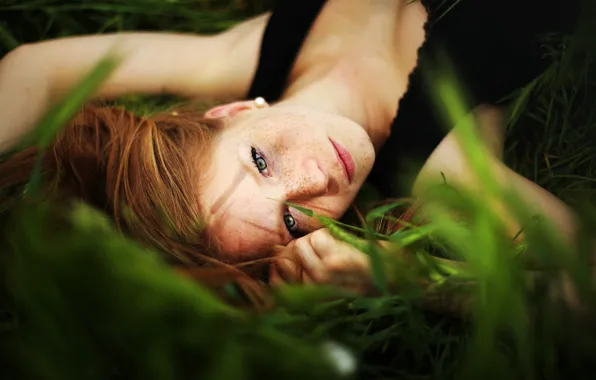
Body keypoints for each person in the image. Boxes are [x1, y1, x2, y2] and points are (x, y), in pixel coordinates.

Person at [0, 1, 580, 291]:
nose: (315, 180)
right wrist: (413, 278)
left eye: (261, 162)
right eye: (295, 224)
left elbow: (36, 68)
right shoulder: (443, 167)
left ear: (230, 111)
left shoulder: (250, 57)